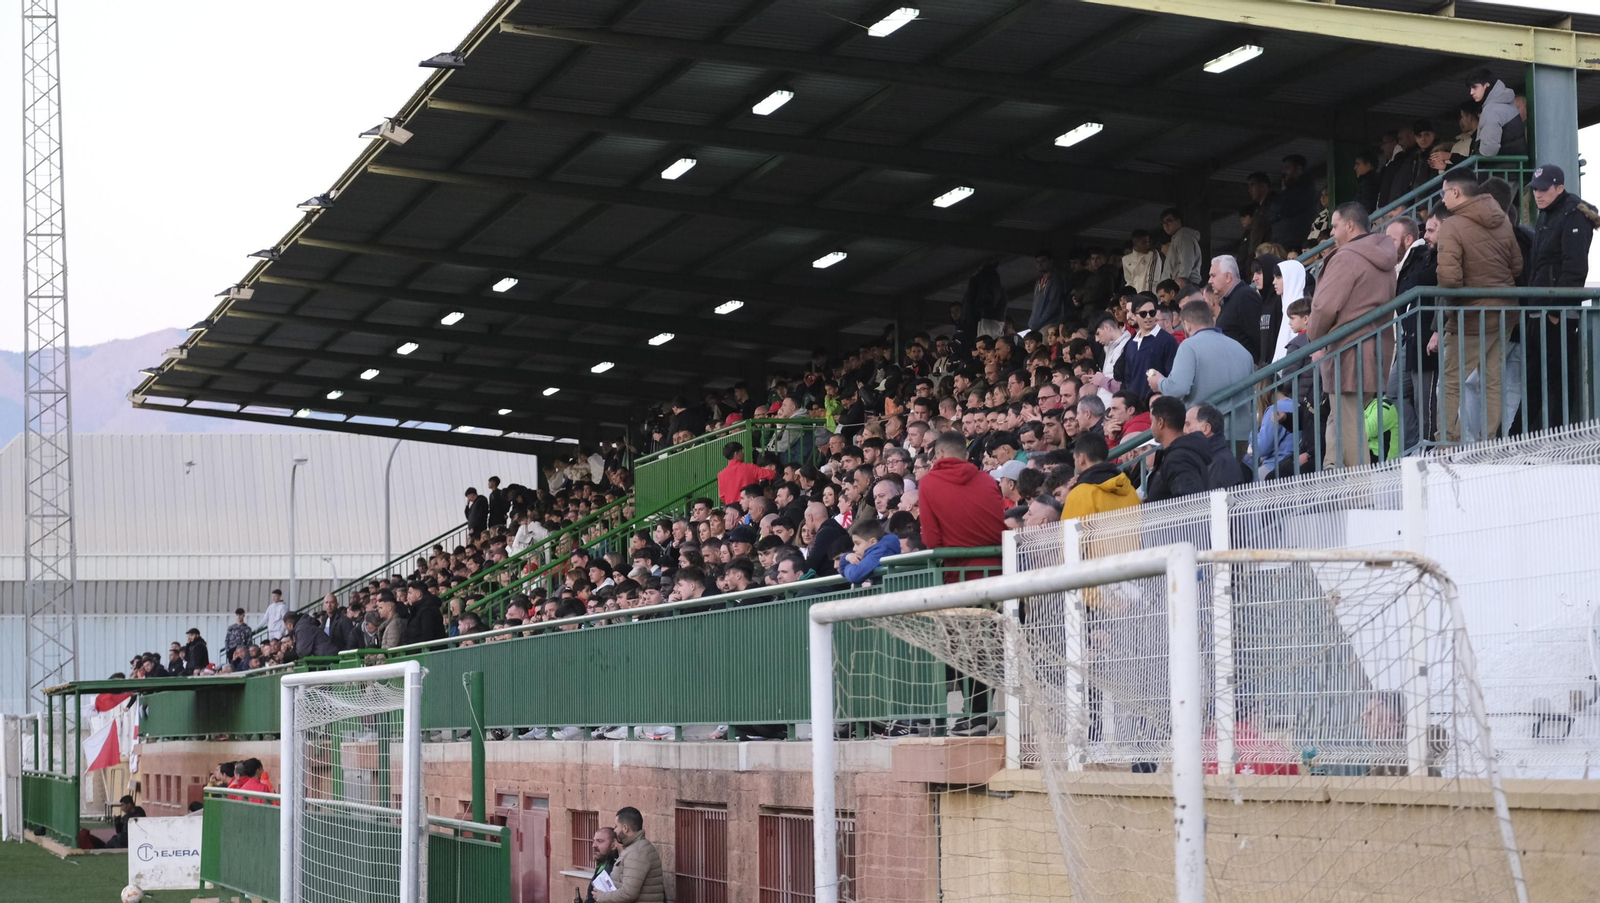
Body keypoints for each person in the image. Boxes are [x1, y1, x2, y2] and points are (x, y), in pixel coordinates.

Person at [1434, 168, 1522, 443]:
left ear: (1456, 192)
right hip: (1505, 313)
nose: (1443, 199)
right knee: (1493, 380)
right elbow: (1517, 266)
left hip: (1470, 316)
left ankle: (1445, 442)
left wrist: (1451, 309)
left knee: (1451, 382)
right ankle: (1489, 439)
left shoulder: (1452, 225)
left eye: (1443, 192)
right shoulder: (1502, 219)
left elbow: (1449, 278)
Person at [1307, 202, 1398, 468]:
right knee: (1343, 419)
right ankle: (1333, 476)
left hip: (1347, 350)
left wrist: (1314, 337)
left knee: (1348, 425)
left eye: (1334, 226)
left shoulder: (1346, 256)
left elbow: (1324, 307)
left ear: (1350, 225)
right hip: (1376, 348)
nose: (1332, 233)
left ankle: (1358, 491)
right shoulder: (1385, 257)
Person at [1523, 164, 1597, 430]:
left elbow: (1575, 270)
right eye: (1535, 190)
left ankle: (1558, 437)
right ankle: (1519, 437)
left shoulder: (1573, 215)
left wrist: (1555, 311)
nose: (1538, 195)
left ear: (1560, 188)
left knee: (1558, 379)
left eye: (1543, 190)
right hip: (1538, 310)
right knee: (1535, 377)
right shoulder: (1547, 215)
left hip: (1556, 314)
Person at [1149, 301, 1255, 442]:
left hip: (1205, 434)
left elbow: (1178, 388)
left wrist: (1159, 383)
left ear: (1186, 324)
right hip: (1241, 434)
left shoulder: (1188, 346)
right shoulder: (1242, 350)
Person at [918, 432, 1006, 580]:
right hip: (998, 570)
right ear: (966, 456)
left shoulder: (927, 483)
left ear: (939, 453)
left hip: (958, 575)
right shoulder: (988, 480)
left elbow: (931, 540)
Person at [1385, 214, 1439, 453]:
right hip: (1409, 339)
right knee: (1394, 391)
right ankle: (1413, 446)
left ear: (1408, 239)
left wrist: (1435, 331)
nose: (1386, 245)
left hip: (1425, 337)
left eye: (1391, 239)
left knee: (1424, 399)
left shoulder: (1421, 256)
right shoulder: (1405, 261)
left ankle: (1425, 451)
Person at [1144, 396, 1214, 502]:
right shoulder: (1178, 455)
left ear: (1160, 423)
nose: (1150, 427)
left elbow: (1188, 502)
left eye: (1151, 421)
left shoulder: (1178, 459)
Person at [593, 807, 666, 903]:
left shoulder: (637, 852)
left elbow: (628, 893)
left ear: (625, 828)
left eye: (616, 826)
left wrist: (602, 896)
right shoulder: (634, 848)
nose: (614, 830)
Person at [1059, 433, 1139, 520]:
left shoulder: (1080, 495)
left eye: (1075, 459)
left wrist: (1071, 497)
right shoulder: (1129, 488)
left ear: (1081, 458)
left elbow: (1071, 532)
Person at [1209, 255, 1265, 362]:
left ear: (1228, 277)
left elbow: (1259, 337)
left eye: (1213, 276)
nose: (1210, 281)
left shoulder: (1245, 296)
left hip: (1249, 371)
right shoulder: (1232, 298)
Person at [1187, 403, 1249, 489]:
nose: (1183, 430)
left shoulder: (1221, 463)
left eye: (1187, 424)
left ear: (1205, 429)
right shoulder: (1206, 458)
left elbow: (1212, 500)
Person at [1466, 68, 1526, 157]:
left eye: (1475, 87)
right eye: (1470, 88)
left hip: (1499, 168)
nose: (1471, 92)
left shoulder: (1491, 110)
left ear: (1486, 85)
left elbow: (1489, 150)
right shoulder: (1509, 104)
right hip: (1514, 167)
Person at [1157, 208, 1203, 292]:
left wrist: (1178, 286)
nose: (1166, 225)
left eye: (1169, 221)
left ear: (1178, 221)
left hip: (1184, 286)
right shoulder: (1176, 238)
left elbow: (1186, 263)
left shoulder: (1184, 236)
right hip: (1176, 285)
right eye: (1163, 222)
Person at [715, 441, 775, 506]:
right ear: (736, 454)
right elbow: (771, 475)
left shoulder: (721, 475)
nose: (743, 454)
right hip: (750, 506)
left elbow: (722, 497)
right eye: (741, 451)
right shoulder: (750, 468)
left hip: (731, 509)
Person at [1029, 250, 1066, 333]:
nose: (1040, 264)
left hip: (1049, 325)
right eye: (1038, 262)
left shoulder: (1056, 279)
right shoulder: (1039, 281)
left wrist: (1038, 322)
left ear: (1051, 261)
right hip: (1037, 326)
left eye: (1043, 261)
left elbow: (1053, 304)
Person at [589, 827, 620, 893]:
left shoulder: (616, 868)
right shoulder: (602, 863)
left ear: (613, 845)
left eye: (600, 841)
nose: (594, 845)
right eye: (593, 841)